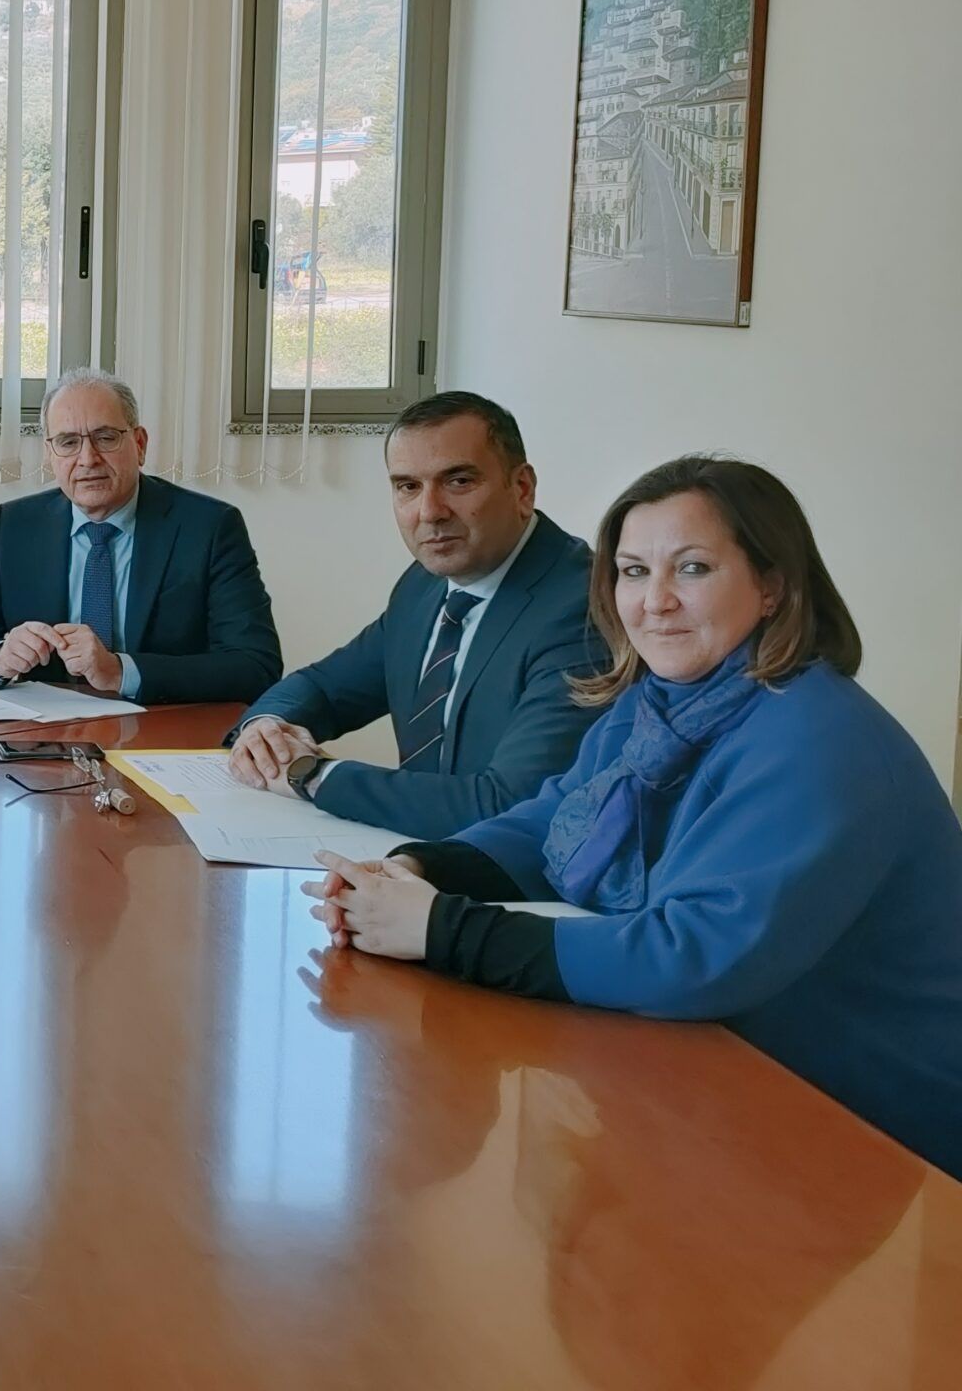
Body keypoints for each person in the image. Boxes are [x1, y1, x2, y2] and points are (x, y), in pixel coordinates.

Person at [307, 455, 962, 1181]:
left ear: (772, 585)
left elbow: (691, 956)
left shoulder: (819, 739)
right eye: (633, 571)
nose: (655, 602)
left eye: (692, 569)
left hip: (865, 1127)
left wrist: (442, 928)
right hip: (719, 1077)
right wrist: (417, 869)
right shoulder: (660, 698)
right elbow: (555, 821)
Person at [227, 391, 600, 839]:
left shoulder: (581, 608)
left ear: (521, 488)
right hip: (412, 860)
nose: (430, 512)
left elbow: (509, 804)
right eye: (408, 486)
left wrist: (312, 775)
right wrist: (265, 727)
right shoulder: (425, 585)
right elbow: (325, 687)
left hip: (510, 881)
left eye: (459, 481)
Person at [0, 369, 282, 702]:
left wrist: (120, 671)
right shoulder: (15, 526)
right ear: (50, 454)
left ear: (139, 444)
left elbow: (255, 664)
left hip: (159, 729)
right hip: (45, 734)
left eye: (105, 438)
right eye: (67, 442)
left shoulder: (209, 527)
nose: (87, 459)